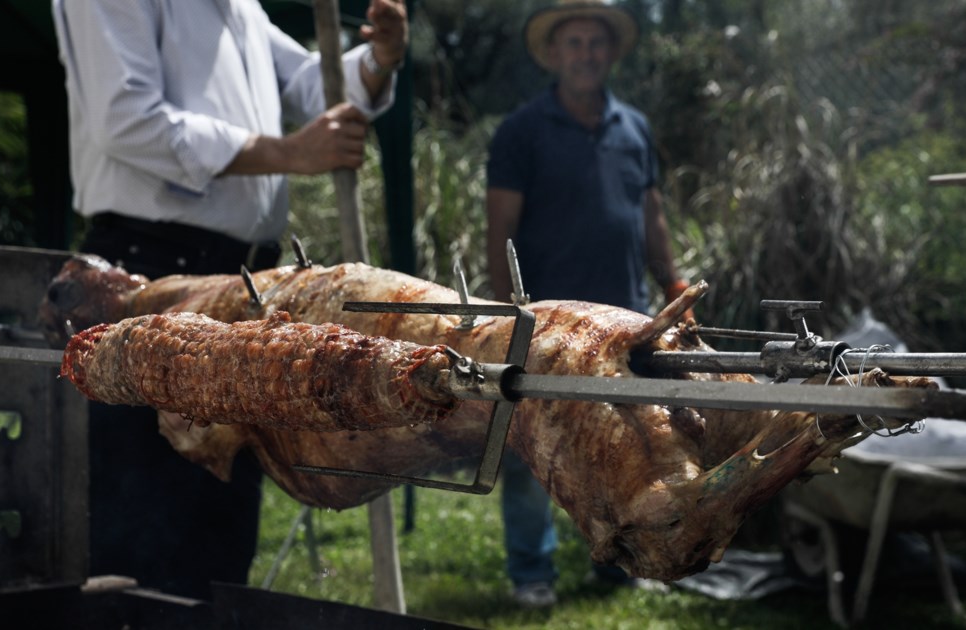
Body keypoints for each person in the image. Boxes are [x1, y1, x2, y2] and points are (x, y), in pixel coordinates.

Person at [51, 0, 408, 600]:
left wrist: (377, 61)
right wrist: (292, 154)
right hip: (150, 270)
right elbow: (127, 119)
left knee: (220, 524)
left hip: (240, 277)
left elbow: (309, 84)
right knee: (142, 544)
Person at [485, 0, 689, 608]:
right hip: (545, 323)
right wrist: (507, 314)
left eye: (594, 43)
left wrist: (673, 283)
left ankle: (621, 560)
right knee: (532, 446)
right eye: (572, 43)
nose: (585, 54)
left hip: (624, 317)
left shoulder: (635, 129)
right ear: (554, 54)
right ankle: (532, 571)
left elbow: (650, 214)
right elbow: (501, 228)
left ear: (610, 53)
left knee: (625, 446)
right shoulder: (521, 131)